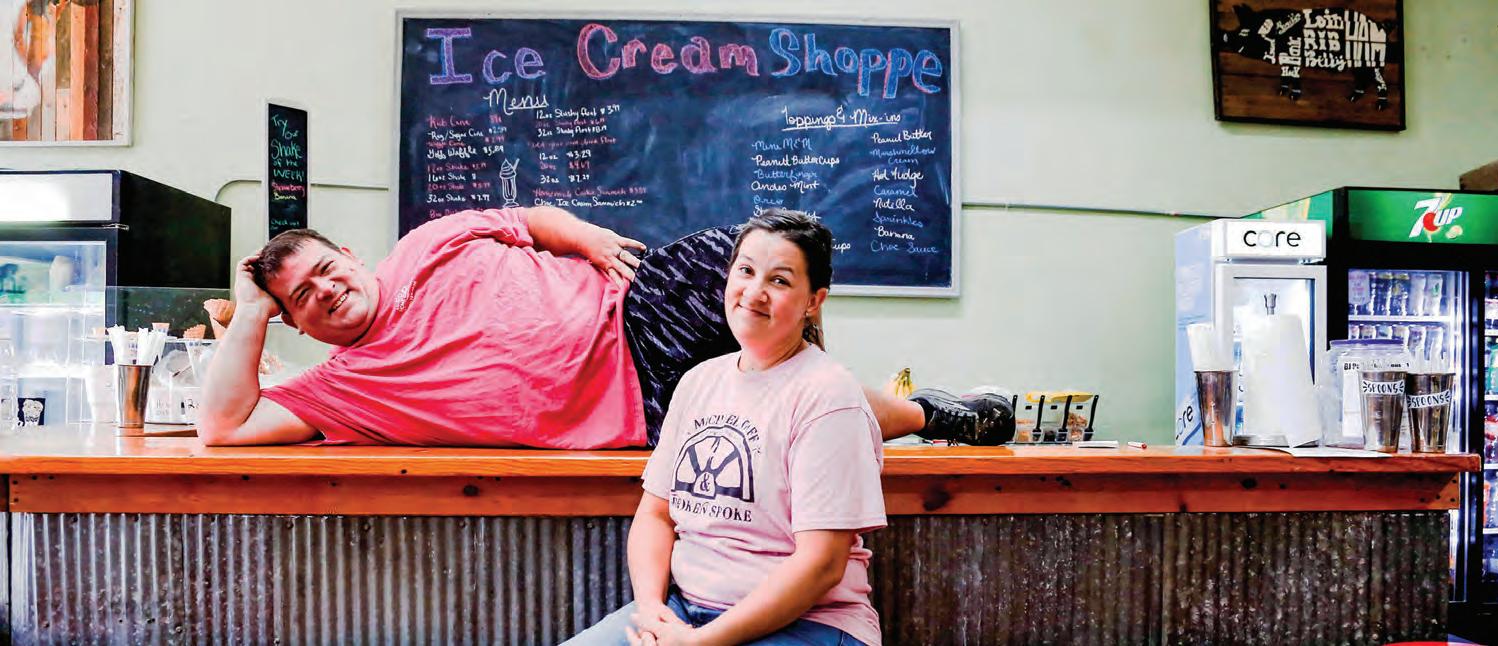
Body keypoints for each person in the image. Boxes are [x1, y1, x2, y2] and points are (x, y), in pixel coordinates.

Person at [198, 204, 1013, 448]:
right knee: (781, 404)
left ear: (348, 254)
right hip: (633, 410)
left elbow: (530, 220)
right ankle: (930, 414)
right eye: (301, 297)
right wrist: (252, 310)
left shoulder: (427, 241)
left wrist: (586, 238)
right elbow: (222, 428)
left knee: (753, 251)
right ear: (294, 320)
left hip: (637, 304)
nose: (326, 291)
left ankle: (878, 411)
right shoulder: (341, 389)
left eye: (325, 269)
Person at [565, 209, 884, 646]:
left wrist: (702, 642)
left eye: (779, 280)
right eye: (746, 271)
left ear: (813, 302)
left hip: (811, 624)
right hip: (684, 612)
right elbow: (655, 515)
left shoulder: (829, 394)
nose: (754, 292)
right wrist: (651, 610)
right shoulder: (699, 382)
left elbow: (822, 563)